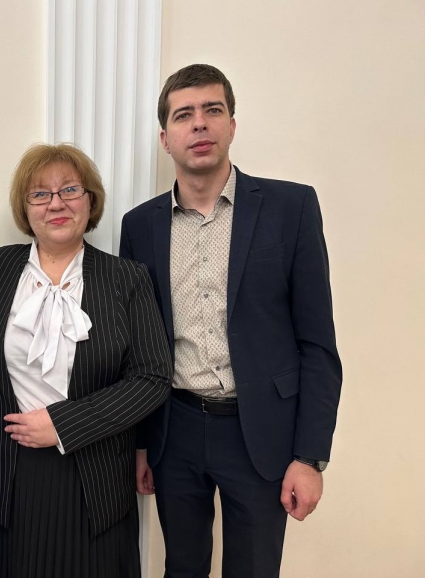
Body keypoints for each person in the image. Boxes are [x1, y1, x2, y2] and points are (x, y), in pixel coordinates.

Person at [120, 63, 343, 577]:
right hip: (174, 429)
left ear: (232, 125)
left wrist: (310, 457)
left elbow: (318, 345)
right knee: (182, 567)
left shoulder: (291, 208)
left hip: (261, 431)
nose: (199, 123)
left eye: (212, 110)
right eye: (183, 115)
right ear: (165, 138)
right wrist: (140, 443)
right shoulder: (140, 226)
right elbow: (137, 345)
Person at [0, 143, 172, 578]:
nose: (56, 204)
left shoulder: (127, 278)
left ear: (90, 201)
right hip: (6, 479)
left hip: (95, 481)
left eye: (70, 190)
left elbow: (152, 377)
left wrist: (63, 424)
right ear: (25, 208)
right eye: (39, 194)